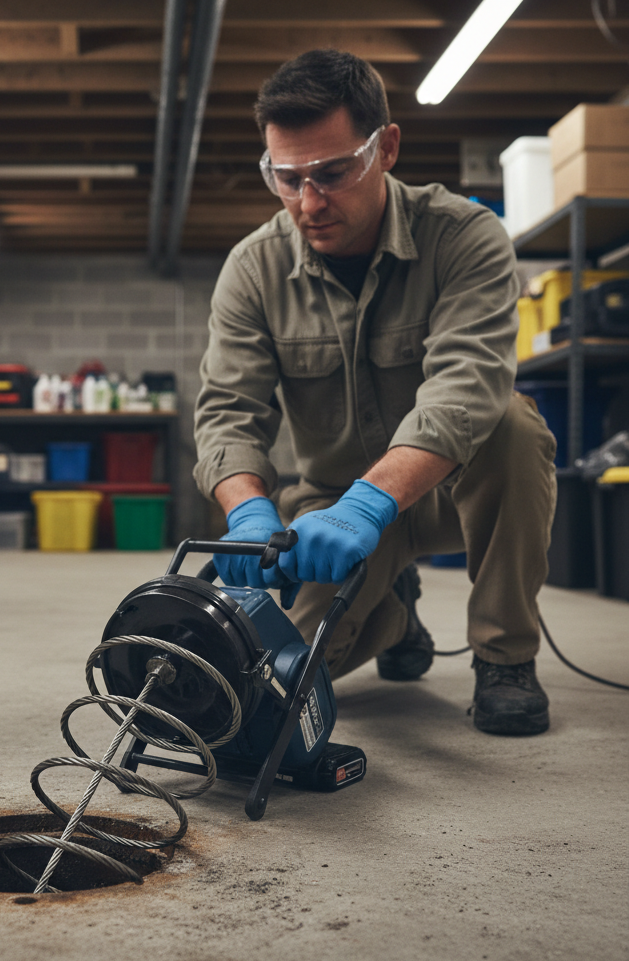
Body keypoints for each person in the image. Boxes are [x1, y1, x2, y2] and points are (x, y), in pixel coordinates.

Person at [193, 49, 557, 736]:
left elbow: (466, 385)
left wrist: (374, 500)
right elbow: (228, 413)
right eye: (286, 177)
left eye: (331, 173)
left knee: (514, 426)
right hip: (328, 514)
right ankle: (392, 619)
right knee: (277, 674)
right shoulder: (253, 268)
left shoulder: (465, 237)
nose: (308, 202)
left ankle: (505, 655)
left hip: (451, 494)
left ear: (384, 148)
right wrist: (249, 516)